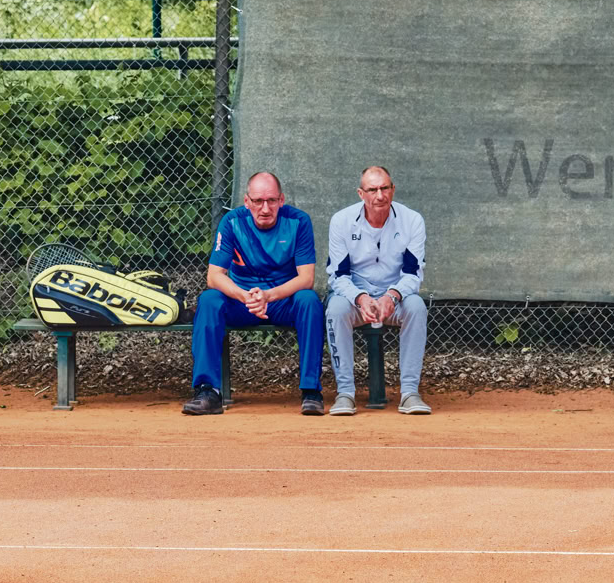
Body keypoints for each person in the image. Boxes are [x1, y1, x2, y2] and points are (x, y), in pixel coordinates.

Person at [183, 171, 326, 416]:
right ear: (247, 202)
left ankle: (311, 391)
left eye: (271, 201)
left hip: (282, 301)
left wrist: (269, 296)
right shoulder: (231, 222)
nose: (265, 208)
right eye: (258, 201)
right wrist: (243, 296)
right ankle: (208, 392)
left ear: (281, 200)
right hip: (243, 302)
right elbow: (214, 276)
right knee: (208, 300)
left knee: (309, 300)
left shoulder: (299, 221)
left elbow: (306, 279)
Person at [325, 165, 430, 415]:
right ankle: (345, 393)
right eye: (372, 190)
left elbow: (413, 274)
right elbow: (338, 276)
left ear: (393, 190)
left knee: (416, 307)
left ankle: (409, 393)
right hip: (355, 298)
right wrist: (360, 298)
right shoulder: (341, 221)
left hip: (394, 297)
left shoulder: (412, 220)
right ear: (361, 194)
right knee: (335, 309)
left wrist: (391, 296)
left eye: (384, 188)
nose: (379, 195)